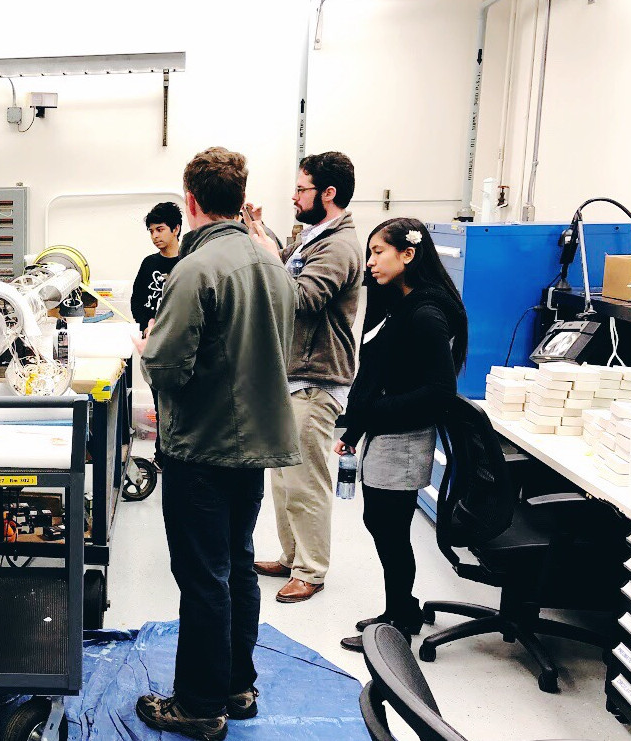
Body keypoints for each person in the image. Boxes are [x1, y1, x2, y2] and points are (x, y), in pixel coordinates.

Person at [135, 148, 300, 741]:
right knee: (235, 565)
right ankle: (236, 684)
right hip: (251, 448)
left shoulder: (194, 270)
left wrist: (148, 343)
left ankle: (200, 705)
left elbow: (169, 367)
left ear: (191, 202)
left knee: (203, 578)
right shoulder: (270, 263)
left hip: (201, 448)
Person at [334, 217, 468, 653]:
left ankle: (398, 620)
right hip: (385, 431)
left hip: (405, 438)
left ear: (408, 255)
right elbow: (375, 370)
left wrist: (372, 413)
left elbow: (439, 393)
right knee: (381, 522)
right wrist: (355, 425)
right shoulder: (396, 302)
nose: (370, 261)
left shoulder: (426, 314)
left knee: (390, 529)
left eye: (378, 252)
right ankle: (402, 608)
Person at [243, 151, 364, 604]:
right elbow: (287, 262)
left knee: (306, 480)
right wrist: (260, 231)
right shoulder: (316, 236)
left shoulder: (339, 245)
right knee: (282, 477)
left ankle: (311, 570)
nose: (294, 196)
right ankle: (292, 556)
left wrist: (270, 254)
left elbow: (303, 296)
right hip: (292, 376)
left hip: (316, 379)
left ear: (327, 193)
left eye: (301, 189)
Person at [131, 201, 184, 335]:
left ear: (176, 229)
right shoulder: (148, 263)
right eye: (151, 231)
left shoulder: (188, 263)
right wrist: (145, 327)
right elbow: (136, 302)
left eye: (160, 229)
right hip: (151, 339)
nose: (154, 236)